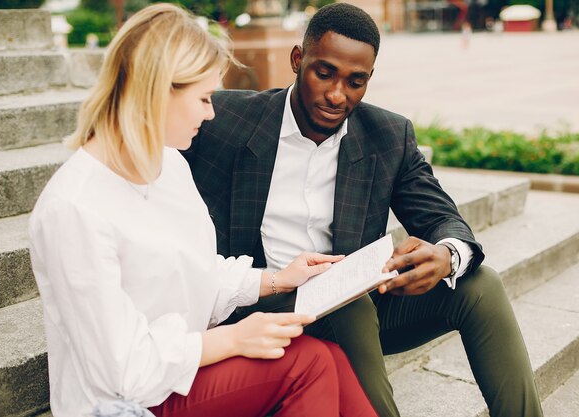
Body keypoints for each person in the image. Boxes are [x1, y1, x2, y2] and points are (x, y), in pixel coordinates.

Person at [183, 3, 543, 417]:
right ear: (298, 60)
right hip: (260, 305)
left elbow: (443, 218)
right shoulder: (222, 119)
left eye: (356, 82)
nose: (338, 95)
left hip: (358, 310)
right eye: (324, 73)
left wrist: (447, 255)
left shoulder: (388, 135)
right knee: (348, 302)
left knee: (481, 285)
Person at [28, 4, 379, 417]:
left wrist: (278, 279)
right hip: (128, 400)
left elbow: (196, 273)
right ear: (157, 91)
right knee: (308, 363)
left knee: (332, 358)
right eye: (204, 98)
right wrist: (233, 340)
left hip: (183, 369)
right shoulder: (74, 209)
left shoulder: (168, 164)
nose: (211, 113)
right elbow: (125, 371)